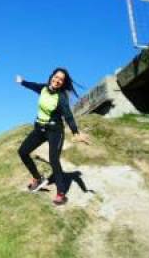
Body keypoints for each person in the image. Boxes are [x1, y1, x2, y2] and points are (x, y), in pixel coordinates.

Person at [16, 68, 89, 205]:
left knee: (54, 159)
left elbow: (68, 116)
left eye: (61, 79)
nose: (57, 80)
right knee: (22, 152)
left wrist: (75, 132)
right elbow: (33, 86)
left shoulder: (61, 97)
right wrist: (22, 82)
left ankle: (61, 193)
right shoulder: (43, 88)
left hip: (55, 131)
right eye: (56, 77)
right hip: (40, 128)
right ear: (51, 77)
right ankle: (37, 178)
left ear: (63, 83)